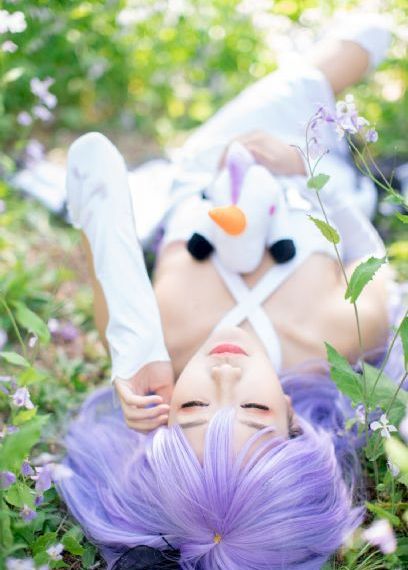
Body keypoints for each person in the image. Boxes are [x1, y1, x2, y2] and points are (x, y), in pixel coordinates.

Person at [58, 14, 405, 570]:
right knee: (370, 37)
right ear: (290, 417)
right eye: (253, 408)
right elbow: (367, 249)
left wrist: (126, 342)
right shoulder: (344, 331)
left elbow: (93, 179)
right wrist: (301, 166)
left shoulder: (151, 343)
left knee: (354, 46)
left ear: (164, 418)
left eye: (193, 407)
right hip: (309, 172)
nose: (223, 375)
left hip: (203, 166)